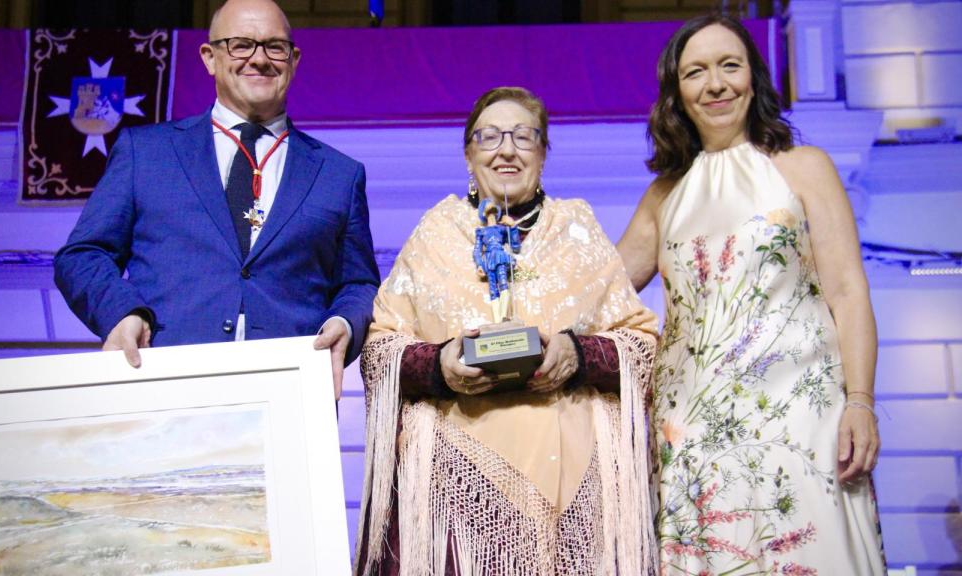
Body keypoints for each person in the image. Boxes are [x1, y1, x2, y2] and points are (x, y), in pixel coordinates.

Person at [616, 14, 886, 574]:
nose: (715, 84)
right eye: (696, 72)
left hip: (801, 421)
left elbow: (848, 291)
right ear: (677, 92)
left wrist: (860, 401)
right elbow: (603, 291)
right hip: (692, 430)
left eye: (729, 66)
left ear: (753, 78)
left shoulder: (805, 168)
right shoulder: (664, 196)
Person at [355, 86, 660, 575]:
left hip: (575, 479)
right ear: (468, 153)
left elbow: (641, 344)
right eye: (490, 136)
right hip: (455, 489)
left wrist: (576, 355)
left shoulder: (578, 229)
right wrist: (440, 367)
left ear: (543, 153)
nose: (507, 149)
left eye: (524, 136)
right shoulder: (434, 232)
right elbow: (380, 350)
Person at [53, 0, 380, 396]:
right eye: (241, 44)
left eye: (275, 47)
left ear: (293, 60)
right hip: (164, 384)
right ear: (209, 57)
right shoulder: (146, 152)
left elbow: (359, 283)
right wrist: (122, 312)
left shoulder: (339, 174)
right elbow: (83, 255)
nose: (259, 59)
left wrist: (345, 322)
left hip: (290, 394)